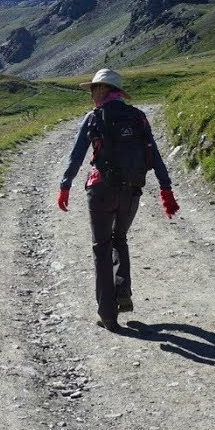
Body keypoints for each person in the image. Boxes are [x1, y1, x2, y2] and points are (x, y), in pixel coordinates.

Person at [55, 68, 177, 332]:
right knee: (119, 239)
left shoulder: (93, 118)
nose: (91, 95)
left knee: (101, 247)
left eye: (94, 89)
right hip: (131, 191)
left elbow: (77, 156)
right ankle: (123, 292)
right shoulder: (138, 117)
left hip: (101, 190)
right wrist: (166, 190)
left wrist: (65, 185)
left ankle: (108, 315)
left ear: (104, 90)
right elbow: (154, 156)